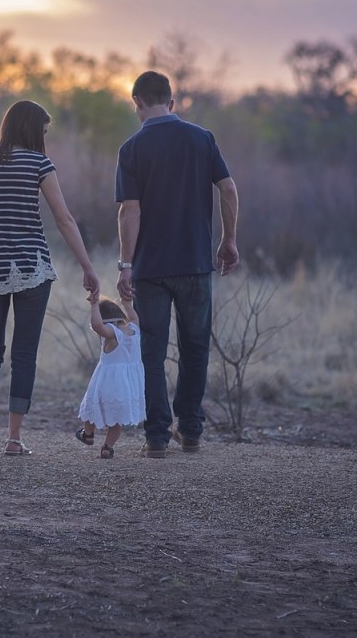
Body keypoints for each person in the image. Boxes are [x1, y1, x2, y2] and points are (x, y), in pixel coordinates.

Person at [0, 100, 100, 456]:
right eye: (44, 132)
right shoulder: (39, 164)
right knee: (24, 354)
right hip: (32, 268)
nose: (45, 139)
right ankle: (14, 439)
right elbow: (64, 220)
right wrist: (88, 267)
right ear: (32, 130)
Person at [115, 71, 240, 458]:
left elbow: (129, 211)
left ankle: (156, 436)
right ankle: (190, 430)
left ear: (136, 102)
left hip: (151, 269)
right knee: (195, 348)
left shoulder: (132, 148)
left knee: (152, 351)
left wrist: (125, 264)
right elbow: (228, 189)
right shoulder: (202, 139)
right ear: (172, 102)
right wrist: (229, 239)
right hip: (196, 263)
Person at [75, 295, 145, 459]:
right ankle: (107, 447)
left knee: (92, 408)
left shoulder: (112, 334)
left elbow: (97, 325)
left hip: (107, 382)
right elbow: (134, 317)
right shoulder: (134, 329)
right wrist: (127, 304)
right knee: (116, 420)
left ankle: (88, 434)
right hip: (127, 385)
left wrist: (94, 306)